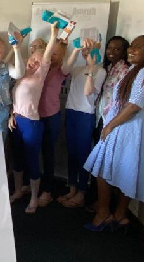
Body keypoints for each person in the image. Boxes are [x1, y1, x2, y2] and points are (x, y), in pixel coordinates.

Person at [84, 35, 144, 232]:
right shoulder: (136, 70)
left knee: (107, 168)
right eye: (131, 46)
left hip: (131, 125)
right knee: (122, 168)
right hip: (126, 123)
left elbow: (134, 105)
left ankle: (107, 214)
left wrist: (110, 126)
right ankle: (118, 215)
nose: (131, 50)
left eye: (138, 47)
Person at [8, 22, 58, 211]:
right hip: (16, 121)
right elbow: (14, 98)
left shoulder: (39, 76)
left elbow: (46, 56)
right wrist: (12, 114)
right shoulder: (20, 75)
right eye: (32, 59)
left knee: (32, 161)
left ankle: (34, 198)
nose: (34, 63)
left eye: (38, 61)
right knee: (17, 159)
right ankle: (18, 190)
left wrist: (53, 35)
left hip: (31, 123)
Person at [58, 40, 106, 208]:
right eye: (84, 49)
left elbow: (88, 91)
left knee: (83, 154)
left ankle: (82, 192)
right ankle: (72, 188)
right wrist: (76, 50)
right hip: (71, 111)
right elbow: (64, 70)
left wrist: (91, 68)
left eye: (89, 49)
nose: (86, 52)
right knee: (71, 153)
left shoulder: (100, 71)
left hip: (85, 115)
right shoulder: (77, 69)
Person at [38, 38, 72, 206]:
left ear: (63, 56)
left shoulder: (61, 70)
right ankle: (31, 184)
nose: (52, 56)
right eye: (51, 52)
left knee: (48, 153)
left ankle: (47, 190)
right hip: (34, 116)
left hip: (51, 117)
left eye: (56, 54)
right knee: (33, 151)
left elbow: (68, 66)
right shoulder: (41, 66)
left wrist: (76, 50)